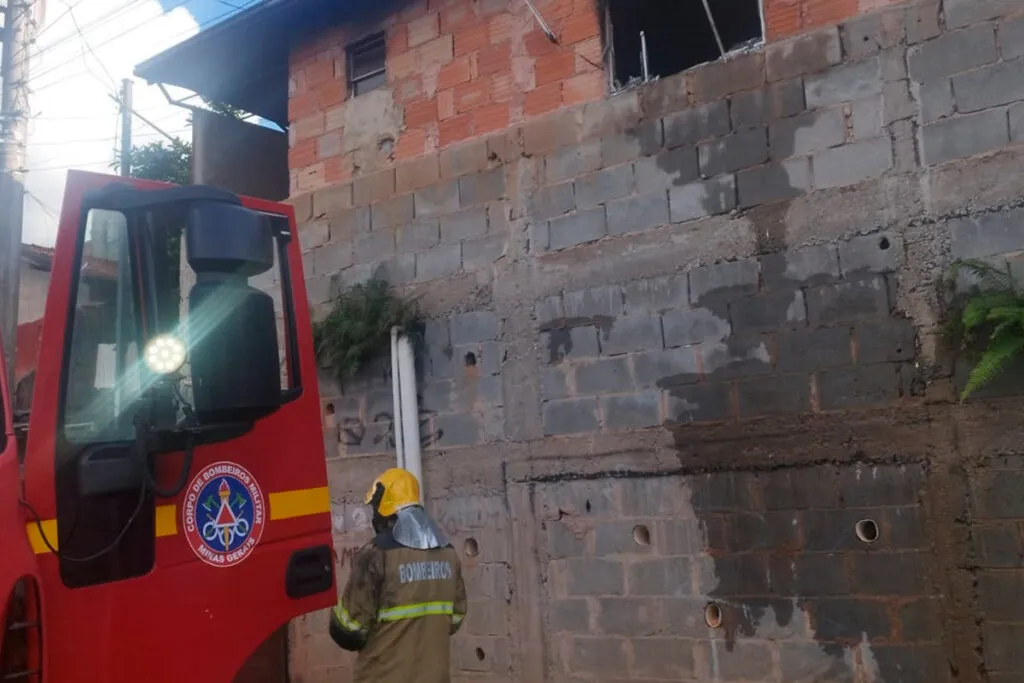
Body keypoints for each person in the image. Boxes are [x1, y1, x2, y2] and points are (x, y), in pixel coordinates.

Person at [329, 468, 467, 683]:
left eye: (375, 509)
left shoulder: (376, 556)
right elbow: (455, 620)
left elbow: (348, 632)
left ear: (384, 509)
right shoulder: (449, 554)